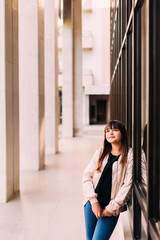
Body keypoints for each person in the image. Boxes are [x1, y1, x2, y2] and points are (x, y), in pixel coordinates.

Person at [82, 120, 133, 240]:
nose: (111, 133)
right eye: (108, 131)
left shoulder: (130, 156)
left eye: (115, 130)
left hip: (111, 207)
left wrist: (112, 208)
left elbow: (128, 184)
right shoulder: (100, 153)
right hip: (92, 204)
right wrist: (93, 201)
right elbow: (86, 176)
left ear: (123, 134)